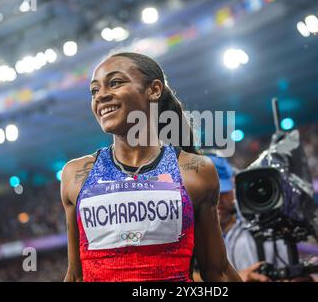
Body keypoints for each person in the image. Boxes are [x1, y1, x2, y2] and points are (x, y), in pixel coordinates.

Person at [60, 52, 241, 282]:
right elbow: (76, 276)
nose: (101, 96)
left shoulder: (195, 171)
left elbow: (217, 271)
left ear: (154, 90)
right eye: (94, 90)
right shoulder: (75, 175)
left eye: (115, 83)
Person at [194, 152, 287, 282]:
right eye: (210, 192)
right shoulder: (187, 234)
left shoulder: (251, 234)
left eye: (224, 191)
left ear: (234, 190)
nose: (218, 199)